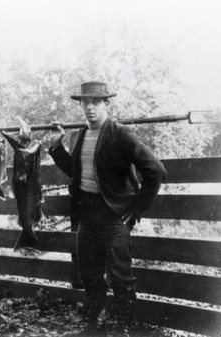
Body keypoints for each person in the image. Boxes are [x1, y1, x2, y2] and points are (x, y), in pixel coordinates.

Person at [49, 81, 166, 337]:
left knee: (120, 275)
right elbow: (76, 171)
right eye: (84, 102)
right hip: (87, 213)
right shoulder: (82, 134)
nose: (89, 108)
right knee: (89, 271)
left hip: (114, 215)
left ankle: (125, 328)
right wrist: (57, 148)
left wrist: (137, 207)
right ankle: (96, 325)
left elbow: (155, 170)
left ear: (106, 104)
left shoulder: (120, 134)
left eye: (95, 102)